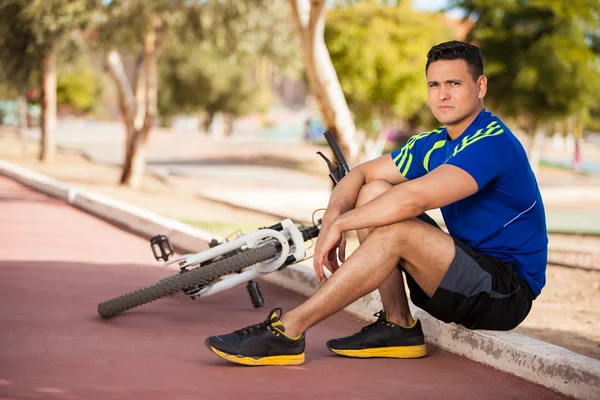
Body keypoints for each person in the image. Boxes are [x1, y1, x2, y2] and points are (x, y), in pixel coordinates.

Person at [204, 41, 548, 366]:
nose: (442, 94)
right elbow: (359, 175)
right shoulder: (433, 143)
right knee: (373, 191)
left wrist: (340, 225)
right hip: (465, 270)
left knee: (397, 227)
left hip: (505, 290)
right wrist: (333, 217)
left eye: (454, 83)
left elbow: (415, 198)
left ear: (481, 86)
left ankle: (289, 329)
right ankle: (398, 324)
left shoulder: (492, 142)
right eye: (434, 84)